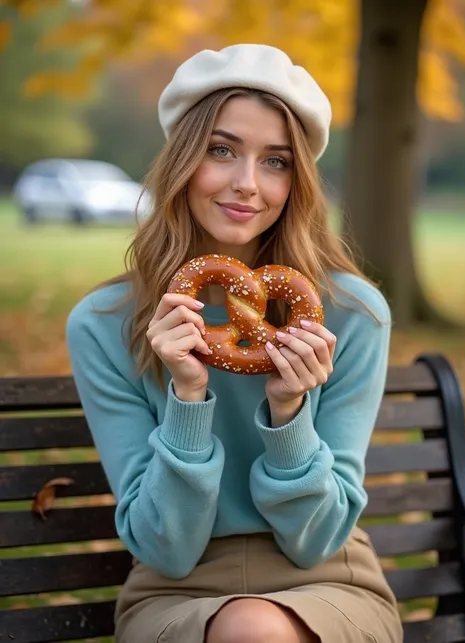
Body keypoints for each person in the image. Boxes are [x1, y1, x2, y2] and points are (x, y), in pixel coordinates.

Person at [66, 44, 403, 643]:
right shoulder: (105, 323)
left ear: (297, 180)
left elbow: (318, 537)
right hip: (177, 590)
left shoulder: (351, 315)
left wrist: (290, 414)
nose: (247, 185)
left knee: (256, 630)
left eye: (275, 162)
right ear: (181, 162)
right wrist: (188, 399)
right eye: (221, 151)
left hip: (328, 577)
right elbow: (164, 549)